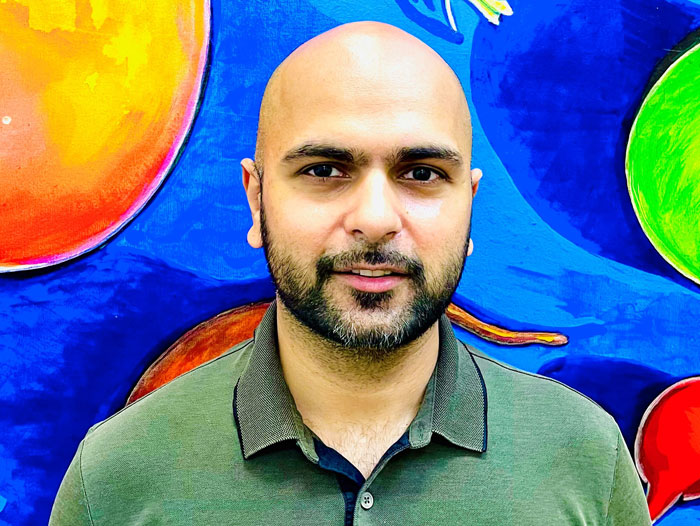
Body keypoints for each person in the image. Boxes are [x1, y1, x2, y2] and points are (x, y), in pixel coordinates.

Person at [50, 21, 652, 525]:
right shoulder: (117, 478)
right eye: (324, 170)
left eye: (421, 174)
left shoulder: (585, 459)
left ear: (469, 209)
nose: (374, 219)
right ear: (257, 202)